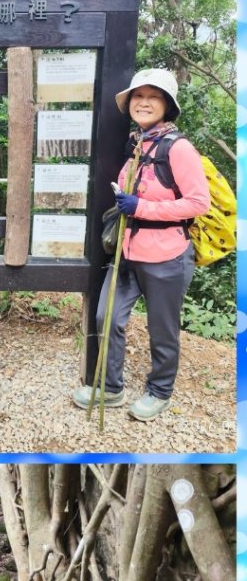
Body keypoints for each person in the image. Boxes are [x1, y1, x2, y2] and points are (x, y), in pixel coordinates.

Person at [72, 68, 209, 421]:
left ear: (168, 106)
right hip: (127, 252)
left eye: (154, 96)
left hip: (166, 255)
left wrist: (142, 207)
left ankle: (160, 391)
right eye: (138, 96)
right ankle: (111, 387)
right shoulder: (139, 143)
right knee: (107, 316)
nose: (144, 102)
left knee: (162, 329)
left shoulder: (179, 149)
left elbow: (199, 203)